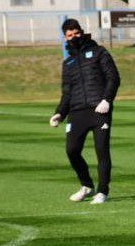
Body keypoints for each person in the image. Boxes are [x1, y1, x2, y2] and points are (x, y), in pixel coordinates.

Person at [49, 19, 120, 204]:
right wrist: (60, 113)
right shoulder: (68, 62)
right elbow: (67, 93)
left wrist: (106, 100)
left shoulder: (99, 52)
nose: (74, 37)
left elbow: (113, 78)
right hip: (77, 112)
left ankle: (102, 191)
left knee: (101, 151)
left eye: (76, 33)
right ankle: (87, 186)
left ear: (82, 32)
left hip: (99, 110)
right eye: (69, 35)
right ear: (65, 37)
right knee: (72, 150)